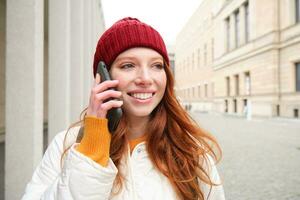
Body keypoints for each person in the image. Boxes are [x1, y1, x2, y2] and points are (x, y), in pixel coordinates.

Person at [22, 17, 225, 200]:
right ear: (104, 77)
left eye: (156, 65)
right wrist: (91, 151)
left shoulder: (191, 151)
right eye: (128, 65)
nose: (146, 79)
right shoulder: (65, 146)